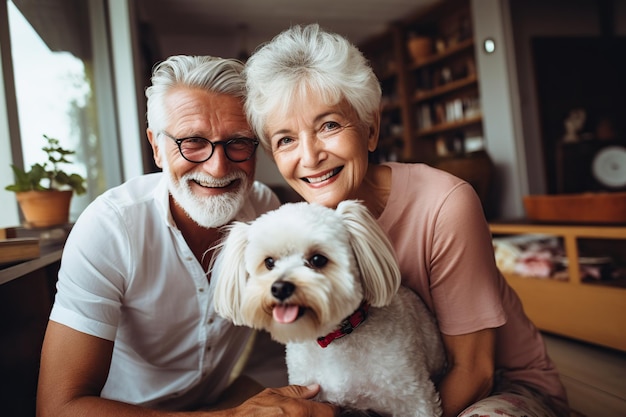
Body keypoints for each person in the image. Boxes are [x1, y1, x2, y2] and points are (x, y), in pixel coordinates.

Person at [243, 24, 570, 417]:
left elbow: (476, 369)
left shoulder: (445, 203)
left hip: (498, 384)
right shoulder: (298, 228)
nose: (310, 157)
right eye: (286, 140)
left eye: (329, 125)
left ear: (370, 128)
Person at [36, 55, 337, 417]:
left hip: (224, 398)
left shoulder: (265, 211)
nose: (218, 167)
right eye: (192, 142)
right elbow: (57, 408)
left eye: (238, 142)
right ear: (157, 147)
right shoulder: (110, 228)